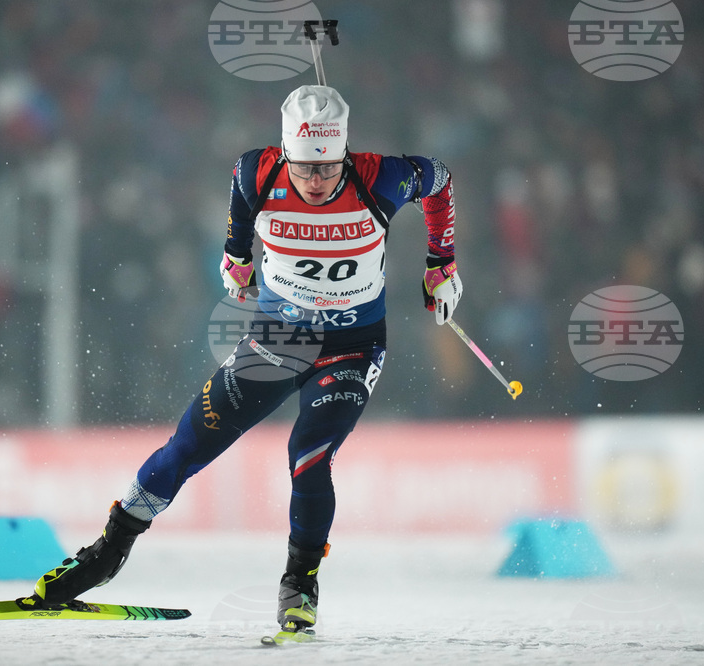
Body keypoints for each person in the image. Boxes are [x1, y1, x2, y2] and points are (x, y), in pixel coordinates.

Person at [25, 85, 463, 634]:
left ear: (344, 155)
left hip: (352, 345)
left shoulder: (383, 177)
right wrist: (236, 255)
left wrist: (440, 263)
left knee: (308, 455)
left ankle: (299, 584)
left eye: (327, 169)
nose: (315, 182)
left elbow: (440, 180)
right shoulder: (258, 171)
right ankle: (108, 551)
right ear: (285, 154)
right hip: (280, 339)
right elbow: (239, 195)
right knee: (188, 445)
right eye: (303, 168)